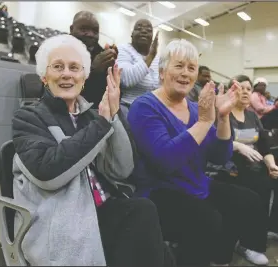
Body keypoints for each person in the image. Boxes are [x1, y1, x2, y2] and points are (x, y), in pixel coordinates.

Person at [11, 35, 174, 267]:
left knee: (152, 232)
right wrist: (101, 124)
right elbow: (47, 171)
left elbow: (122, 169)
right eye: (58, 67)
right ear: (44, 77)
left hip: (101, 211)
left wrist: (113, 116)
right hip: (63, 224)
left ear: (84, 78)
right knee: (143, 223)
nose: (67, 73)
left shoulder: (92, 114)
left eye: (75, 68)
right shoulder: (28, 117)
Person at [128, 39, 269, 266]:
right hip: (160, 191)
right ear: (162, 72)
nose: (186, 73)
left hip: (196, 184)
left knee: (247, 201)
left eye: (191, 68)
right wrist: (205, 121)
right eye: (179, 66)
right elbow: (165, 162)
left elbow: (220, 157)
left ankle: (219, 259)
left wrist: (222, 118)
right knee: (208, 221)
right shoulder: (144, 106)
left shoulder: (195, 109)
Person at [217, 75, 278, 257]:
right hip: (232, 169)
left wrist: (271, 165)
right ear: (231, 91)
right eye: (240, 88)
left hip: (256, 166)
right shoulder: (223, 114)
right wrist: (238, 146)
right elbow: (215, 143)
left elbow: (264, 145)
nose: (245, 91)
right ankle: (250, 244)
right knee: (261, 185)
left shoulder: (252, 116)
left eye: (248, 88)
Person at [70, 11, 118, 109]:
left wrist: (112, 70)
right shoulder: (58, 52)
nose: (91, 34)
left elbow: (111, 93)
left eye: (95, 31)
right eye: (84, 29)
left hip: (98, 111)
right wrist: (92, 70)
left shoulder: (102, 54)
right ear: (71, 29)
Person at [116, 19, 160, 109]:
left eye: (148, 30)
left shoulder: (158, 57)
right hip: (128, 106)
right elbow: (127, 80)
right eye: (139, 28)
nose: (143, 31)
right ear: (132, 34)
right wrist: (150, 56)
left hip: (153, 108)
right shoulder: (122, 50)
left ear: (152, 36)